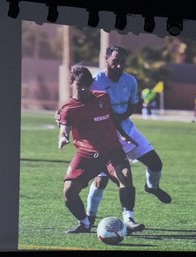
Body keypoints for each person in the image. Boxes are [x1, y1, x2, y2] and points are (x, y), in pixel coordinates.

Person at [86, 45, 172, 226]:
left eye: (122, 62)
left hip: (128, 131)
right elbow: (83, 107)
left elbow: (133, 105)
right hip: (105, 138)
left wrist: (120, 118)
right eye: (115, 61)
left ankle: (151, 187)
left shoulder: (130, 81)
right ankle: (90, 219)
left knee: (156, 163)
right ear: (106, 59)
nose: (119, 66)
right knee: (102, 180)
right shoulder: (95, 82)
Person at [57, 64, 144, 234]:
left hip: (112, 150)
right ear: (71, 83)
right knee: (69, 192)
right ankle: (85, 223)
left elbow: (112, 117)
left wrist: (123, 134)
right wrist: (63, 137)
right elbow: (64, 128)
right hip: (87, 154)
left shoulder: (103, 97)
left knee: (125, 176)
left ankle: (129, 221)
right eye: (79, 84)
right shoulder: (68, 109)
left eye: (87, 85)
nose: (83, 88)